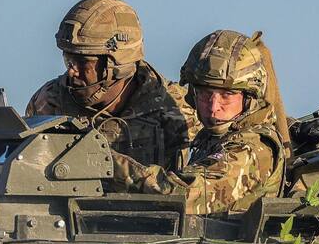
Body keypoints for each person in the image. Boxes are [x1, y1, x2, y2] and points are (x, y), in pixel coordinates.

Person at [25, 0, 200, 189]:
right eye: (69, 60)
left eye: (83, 63)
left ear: (115, 64)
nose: (72, 71)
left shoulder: (177, 109)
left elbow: (194, 186)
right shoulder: (49, 103)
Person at [111, 30, 286, 214]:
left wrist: (110, 166)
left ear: (250, 98)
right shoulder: (211, 136)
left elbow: (183, 196)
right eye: (204, 94)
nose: (213, 107)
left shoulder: (252, 148)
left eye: (226, 95)